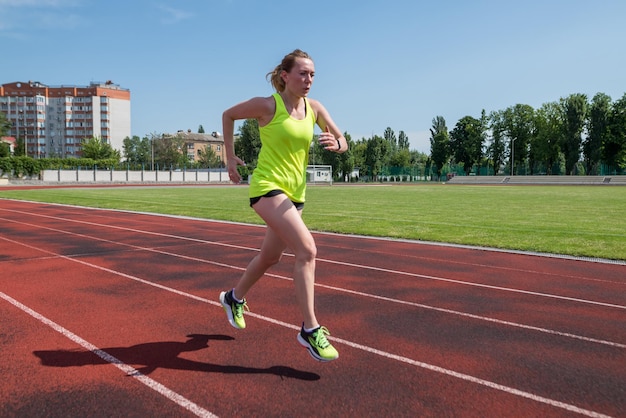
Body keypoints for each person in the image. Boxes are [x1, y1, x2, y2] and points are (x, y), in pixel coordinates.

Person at [219, 49, 347, 362]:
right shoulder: (268, 105)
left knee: (270, 257)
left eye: (313, 74)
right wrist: (229, 156)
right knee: (307, 250)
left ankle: (234, 298)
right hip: (267, 188)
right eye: (303, 73)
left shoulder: (314, 109)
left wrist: (338, 145)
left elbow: (342, 138)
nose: (309, 80)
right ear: (285, 76)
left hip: (295, 194)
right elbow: (228, 115)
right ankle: (310, 330)